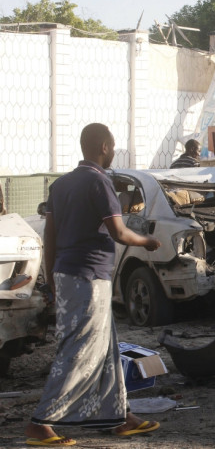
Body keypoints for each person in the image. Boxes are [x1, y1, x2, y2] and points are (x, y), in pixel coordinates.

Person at [25, 123, 162, 446]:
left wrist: (52, 278)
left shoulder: (61, 185)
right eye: (112, 146)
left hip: (69, 274)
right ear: (103, 146)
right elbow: (118, 233)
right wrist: (147, 242)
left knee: (106, 351)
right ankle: (40, 421)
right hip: (88, 276)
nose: (113, 152)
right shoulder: (100, 183)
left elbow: (51, 234)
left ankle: (119, 416)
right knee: (80, 350)